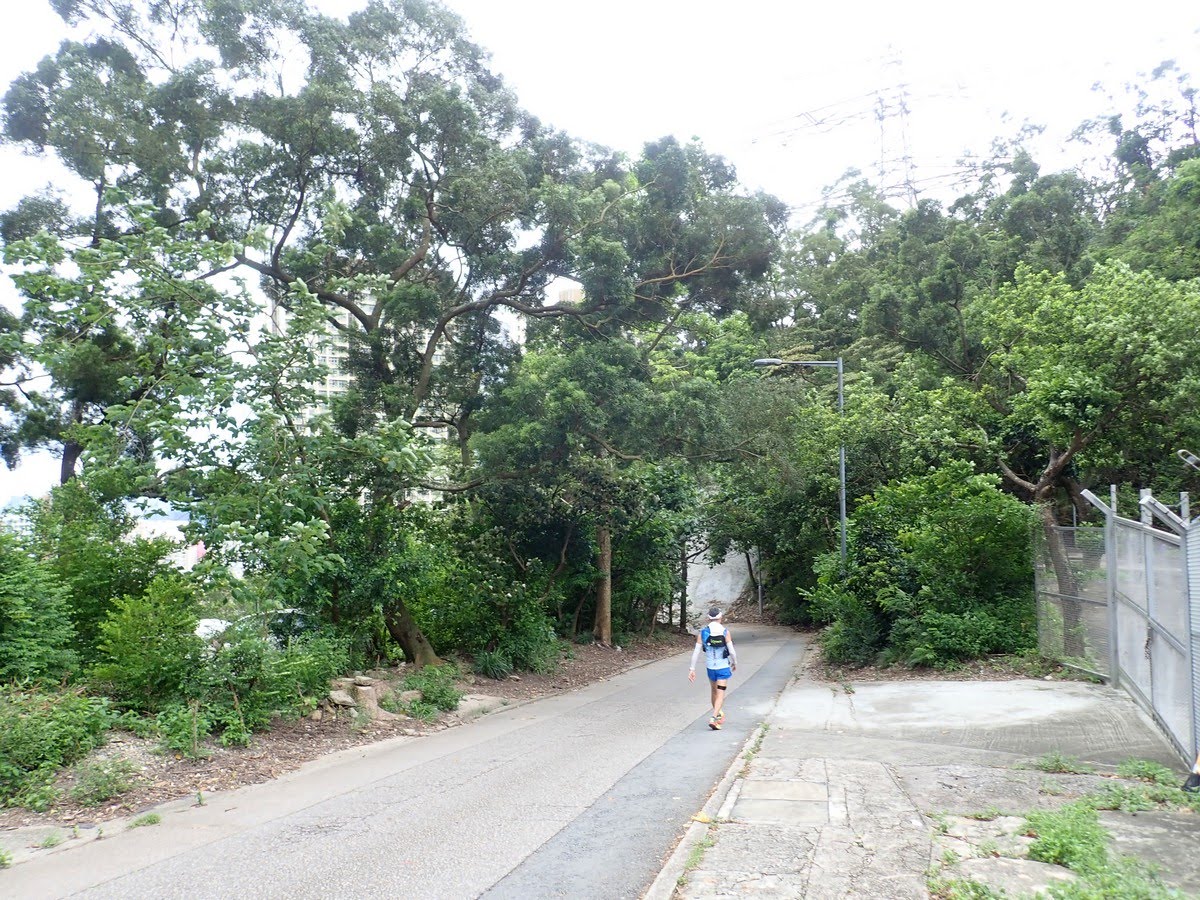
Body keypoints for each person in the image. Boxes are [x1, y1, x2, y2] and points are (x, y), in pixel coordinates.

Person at [688, 607, 738, 729]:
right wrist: (734, 662)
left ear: (708, 618)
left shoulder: (703, 633)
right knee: (720, 693)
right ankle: (714, 718)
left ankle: (718, 713)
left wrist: (692, 669)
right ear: (720, 617)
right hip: (723, 667)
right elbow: (732, 651)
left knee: (714, 691)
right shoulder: (725, 632)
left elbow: (696, 652)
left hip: (710, 668)